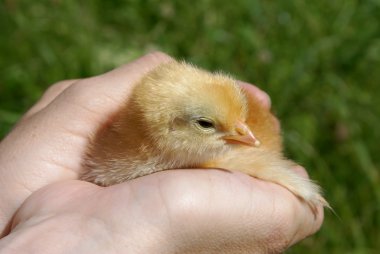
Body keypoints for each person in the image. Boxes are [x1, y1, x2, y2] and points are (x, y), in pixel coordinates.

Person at [0, 52, 323, 253]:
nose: (246, 135)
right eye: (206, 124)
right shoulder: (110, 150)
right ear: (167, 128)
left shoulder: (226, 154)